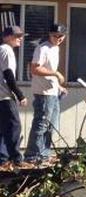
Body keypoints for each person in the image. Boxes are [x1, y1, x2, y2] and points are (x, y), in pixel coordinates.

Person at [26, 24, 67, 165]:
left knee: (52, 125)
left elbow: (48, 71)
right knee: (41, 123)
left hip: (53, 91)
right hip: (43, 92)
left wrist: (59, 86)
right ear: (50, 35)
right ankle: (32, 155)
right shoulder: (42, 48)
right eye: (55, 35)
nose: (58, 38)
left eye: (61, 36)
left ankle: (44, 154)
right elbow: (35, 69)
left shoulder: (56, 48)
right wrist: (55, 73)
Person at [0, 26, 28, 166]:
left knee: (3, 128)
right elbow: (8, 75)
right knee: (14, 126)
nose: (21, 39)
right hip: (4, 96)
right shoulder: (6, 50)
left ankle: (2, 159)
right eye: (18, 36)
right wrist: (20, 95)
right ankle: (16, 159)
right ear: (8, 37)